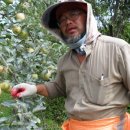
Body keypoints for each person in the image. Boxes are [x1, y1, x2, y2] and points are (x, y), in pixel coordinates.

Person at [11, 0, 130, 129]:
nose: (67, 22)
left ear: (87, 17)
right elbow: (58, 87)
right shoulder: (65, 61)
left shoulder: (117, 49)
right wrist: (34, 88)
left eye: (73, 14)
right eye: (62, 20)